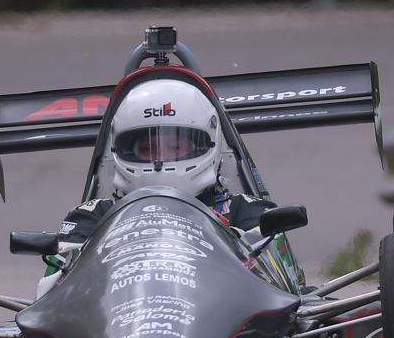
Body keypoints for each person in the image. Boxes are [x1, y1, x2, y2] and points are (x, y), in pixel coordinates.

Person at [57, 76, 274, 245]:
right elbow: (61, 281)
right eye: (146, 149)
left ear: (209, 144)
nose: (161, 158)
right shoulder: (93, 216)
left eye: (177, 147)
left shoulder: (246, 211)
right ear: (120, 149)